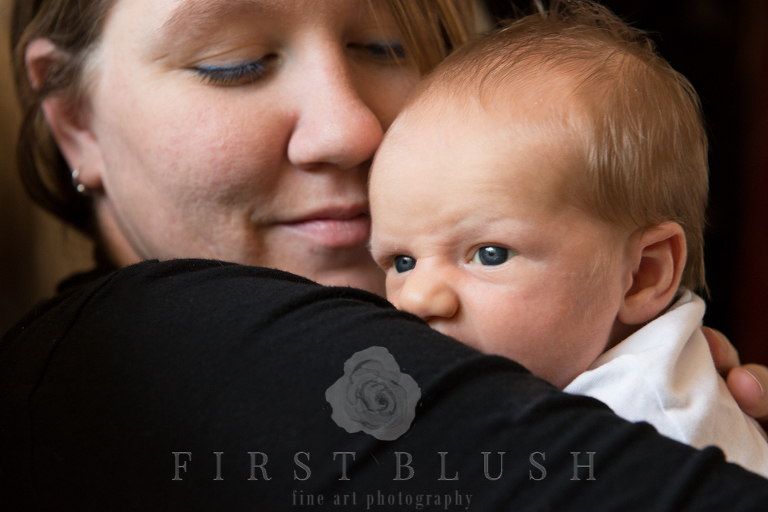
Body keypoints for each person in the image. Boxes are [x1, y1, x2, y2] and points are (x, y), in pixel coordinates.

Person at [2, 0, 768, 509]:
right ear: (73, 121)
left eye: (386, 45)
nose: (349, 129)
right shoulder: (141, 353)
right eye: (232, 63)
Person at [368, 1, 768, 477]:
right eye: (402, 261)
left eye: (490, 254)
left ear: (643, 274)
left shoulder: (651, 442)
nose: (415, 299)